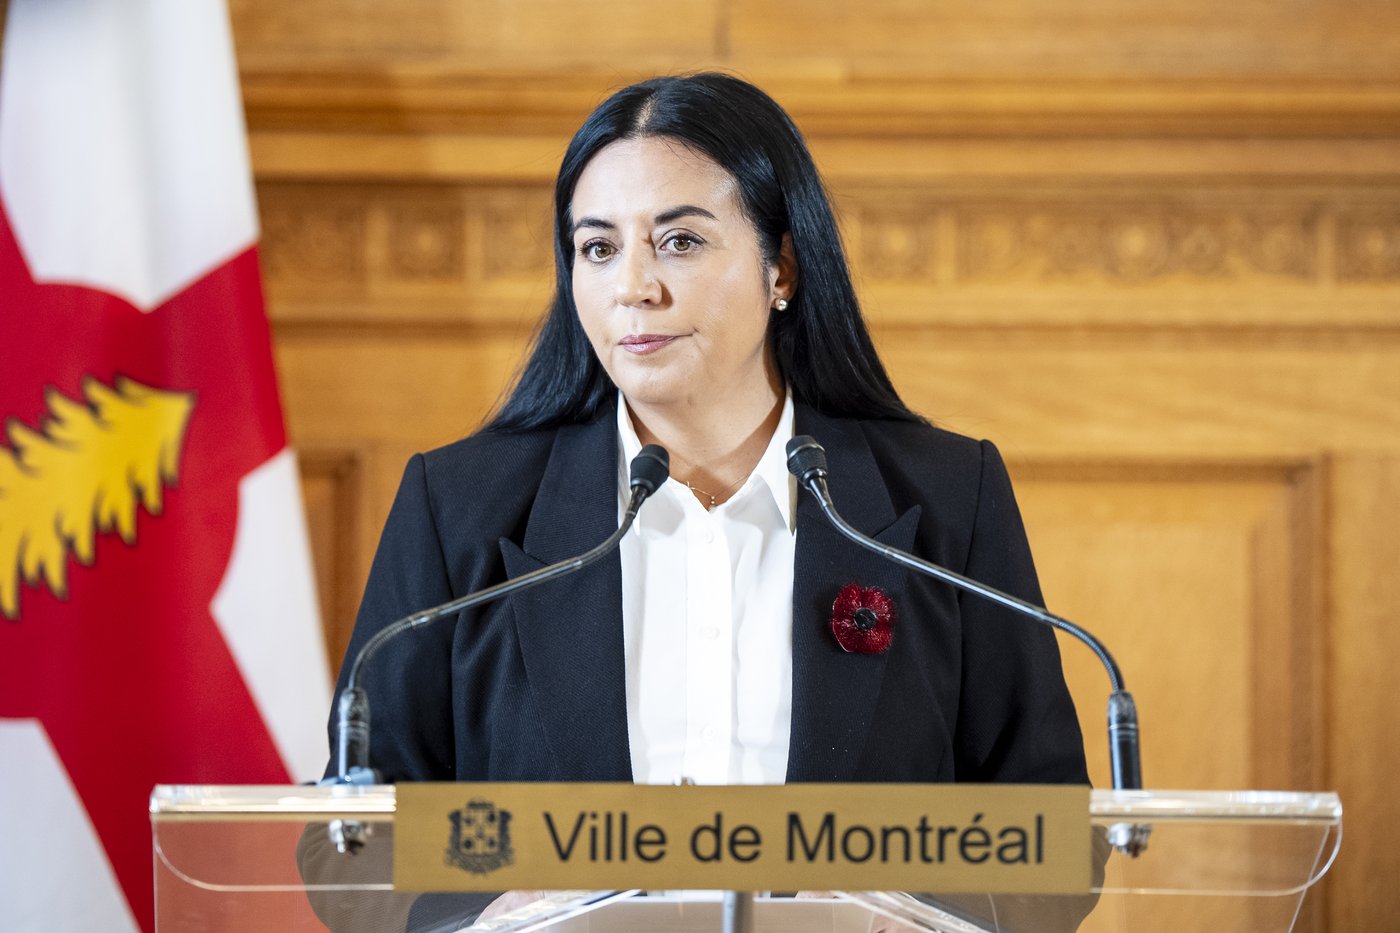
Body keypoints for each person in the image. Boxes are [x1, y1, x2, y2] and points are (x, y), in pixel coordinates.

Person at [313, 72, 1090, 931]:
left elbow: (1051, 833)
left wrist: (912, 916)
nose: (632, 288)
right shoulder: (460, 507)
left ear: (781, 264)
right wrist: (493, 911)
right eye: (598, 247)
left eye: (679, 242)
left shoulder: (943, 498)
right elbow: (349, 839)